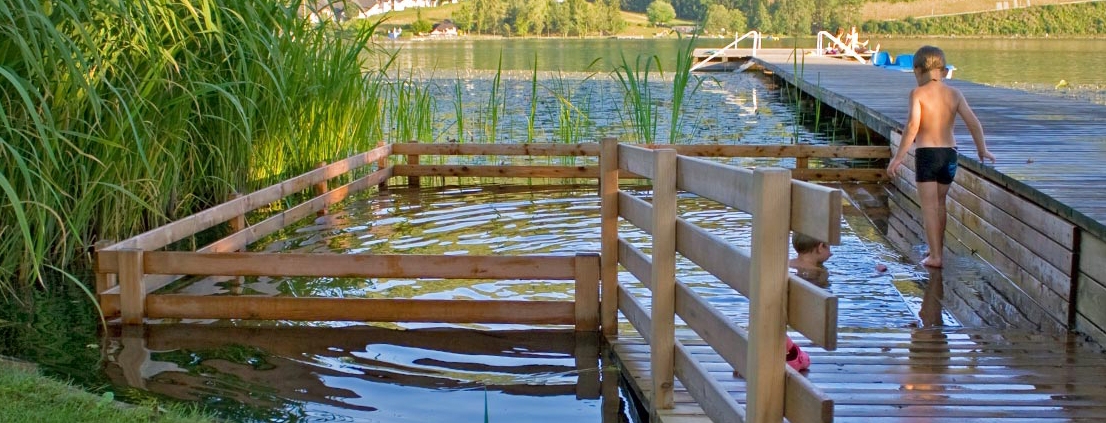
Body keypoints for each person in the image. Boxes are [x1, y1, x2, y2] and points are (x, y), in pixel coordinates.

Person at [887, 46, 996, 268]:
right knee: (940, 203)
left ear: (917, 70)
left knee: (928, 207)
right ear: (944, 71)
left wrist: (898, 157)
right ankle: (937, 248)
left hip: (927, 154)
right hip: (949, 154)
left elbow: (912, 126)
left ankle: (935, 256)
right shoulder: (955, 94)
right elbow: (974, 123)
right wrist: (982, 149)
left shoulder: (918, 94)